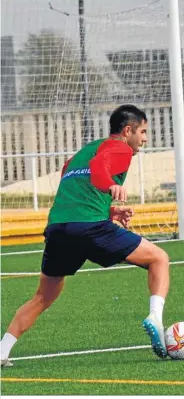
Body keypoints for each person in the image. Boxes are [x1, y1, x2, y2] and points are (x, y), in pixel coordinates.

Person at [0, 104, 170, 367]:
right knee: (158, 258)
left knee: (43, 297)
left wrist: (108, 210)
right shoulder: (120, 149)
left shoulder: (84, 150)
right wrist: (110, 185)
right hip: (90, 228)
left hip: (59, 228)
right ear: (128, 131)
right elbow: (99, 166)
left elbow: (70, 175)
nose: (145, 138)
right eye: (143, 131)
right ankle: (156, 319)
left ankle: (2, 350)